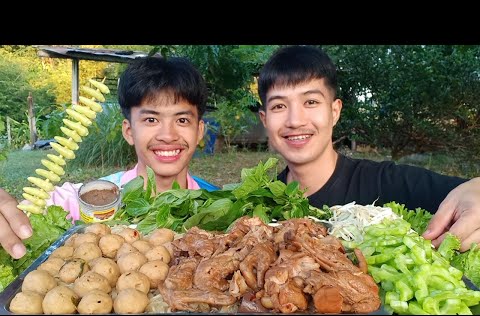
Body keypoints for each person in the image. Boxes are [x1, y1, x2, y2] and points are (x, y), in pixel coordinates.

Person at [257, 45, 480, 252]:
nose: (295, 120)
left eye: (311, 102)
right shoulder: (259, 207)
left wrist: (476, 188)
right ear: (265, 120)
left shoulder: (387, 183)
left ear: (334, 111)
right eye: (279, 106)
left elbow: (467, 194)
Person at [0, 56, 218, 259]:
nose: (168, 136)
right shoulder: (82, 202)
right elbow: (23, 215)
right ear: (129, 131)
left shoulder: (219, 206)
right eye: (151, 120)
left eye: (182, 120)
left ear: (199, 131)